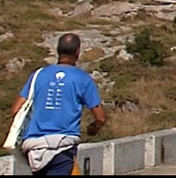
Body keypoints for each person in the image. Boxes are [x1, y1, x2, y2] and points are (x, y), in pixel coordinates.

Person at [11, 33, 106, 176]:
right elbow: (101, 117)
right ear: (77, 52)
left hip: (34, 149)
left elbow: (16, 110)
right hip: (62, 148)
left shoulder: (38, 75)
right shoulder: (82, 78)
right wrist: (93, 128)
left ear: (57, 50)